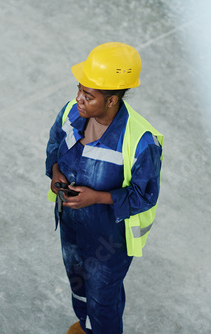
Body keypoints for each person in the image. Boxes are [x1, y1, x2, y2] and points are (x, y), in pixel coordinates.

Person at [45, 42, 164, 334]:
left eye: (88, 95)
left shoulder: (140, 141)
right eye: (79, 90)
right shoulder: (71, 113)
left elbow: (144, 195)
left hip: (109, 238)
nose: (78, 99)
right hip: (71, 222)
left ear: (112, 101)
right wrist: (55, 171)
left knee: (102, 301)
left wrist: (96, 197)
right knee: (78, 284)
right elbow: (54, 144)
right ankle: (87, 328)